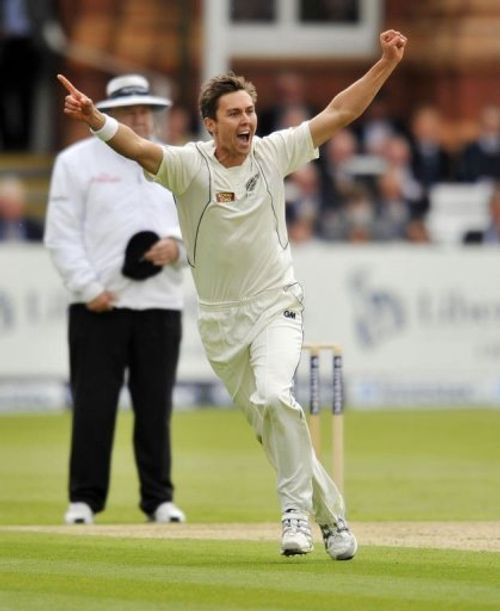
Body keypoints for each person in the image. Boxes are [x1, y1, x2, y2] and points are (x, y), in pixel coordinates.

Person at [57, 29, 407, 559]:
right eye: (235, 114)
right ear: (212, 123)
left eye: (250, 111)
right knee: (273, 429)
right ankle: (334, 522)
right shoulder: (187, 166)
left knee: (275, 394)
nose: (247, 121)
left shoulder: (272, 153)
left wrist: (384, 64)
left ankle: (293, 517)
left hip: (277, 304)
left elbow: (339, 113)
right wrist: (94, 120)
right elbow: (138, 146)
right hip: (222, 323)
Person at [45, 74, 187, 525]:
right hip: (99, 306)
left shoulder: (175, 160)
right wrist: (88, 289)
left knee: (155, 408)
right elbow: (61, 235)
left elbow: (200, 223)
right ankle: (83, 501)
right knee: (93, 406)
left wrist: (178, 248)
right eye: (130, 112)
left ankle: (159, 499)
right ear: (110, 113)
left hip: (159, 304)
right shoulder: (75, 162)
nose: (140, 118)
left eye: (146, 110)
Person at [0, 175, 44, 241]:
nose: (10, 209)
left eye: (14, 203)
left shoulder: (35, 229)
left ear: (22, 204)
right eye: (7, 204)